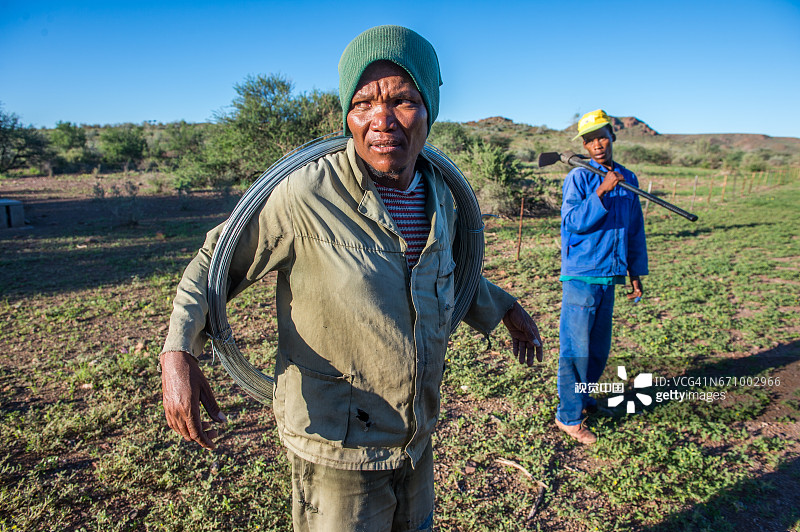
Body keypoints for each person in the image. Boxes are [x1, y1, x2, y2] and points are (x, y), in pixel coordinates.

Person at [160, 25, 543, 531]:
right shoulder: (304, 193)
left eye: (403, 100)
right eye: (364, 103)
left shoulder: (441, 194)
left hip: (415, 436)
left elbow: (439, 272)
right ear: (347, 115)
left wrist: (504, 307)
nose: (382, 119)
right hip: (336, 445)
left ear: (429, 109)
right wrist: (177, 351)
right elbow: (214, 263)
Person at [556, 109, 648, 445]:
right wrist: (601, 193)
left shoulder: (628, 178)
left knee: (597, 350)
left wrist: (635, 271)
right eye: (589, 139)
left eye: (602, 136)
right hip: (581, 276)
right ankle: (568, 416)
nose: (597, 144)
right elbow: (573, 222)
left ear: (612, 137)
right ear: (583, 143)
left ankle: (584, 399)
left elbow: (634, 229)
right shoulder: (579, 178)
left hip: (610, 275)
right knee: (575, 349)